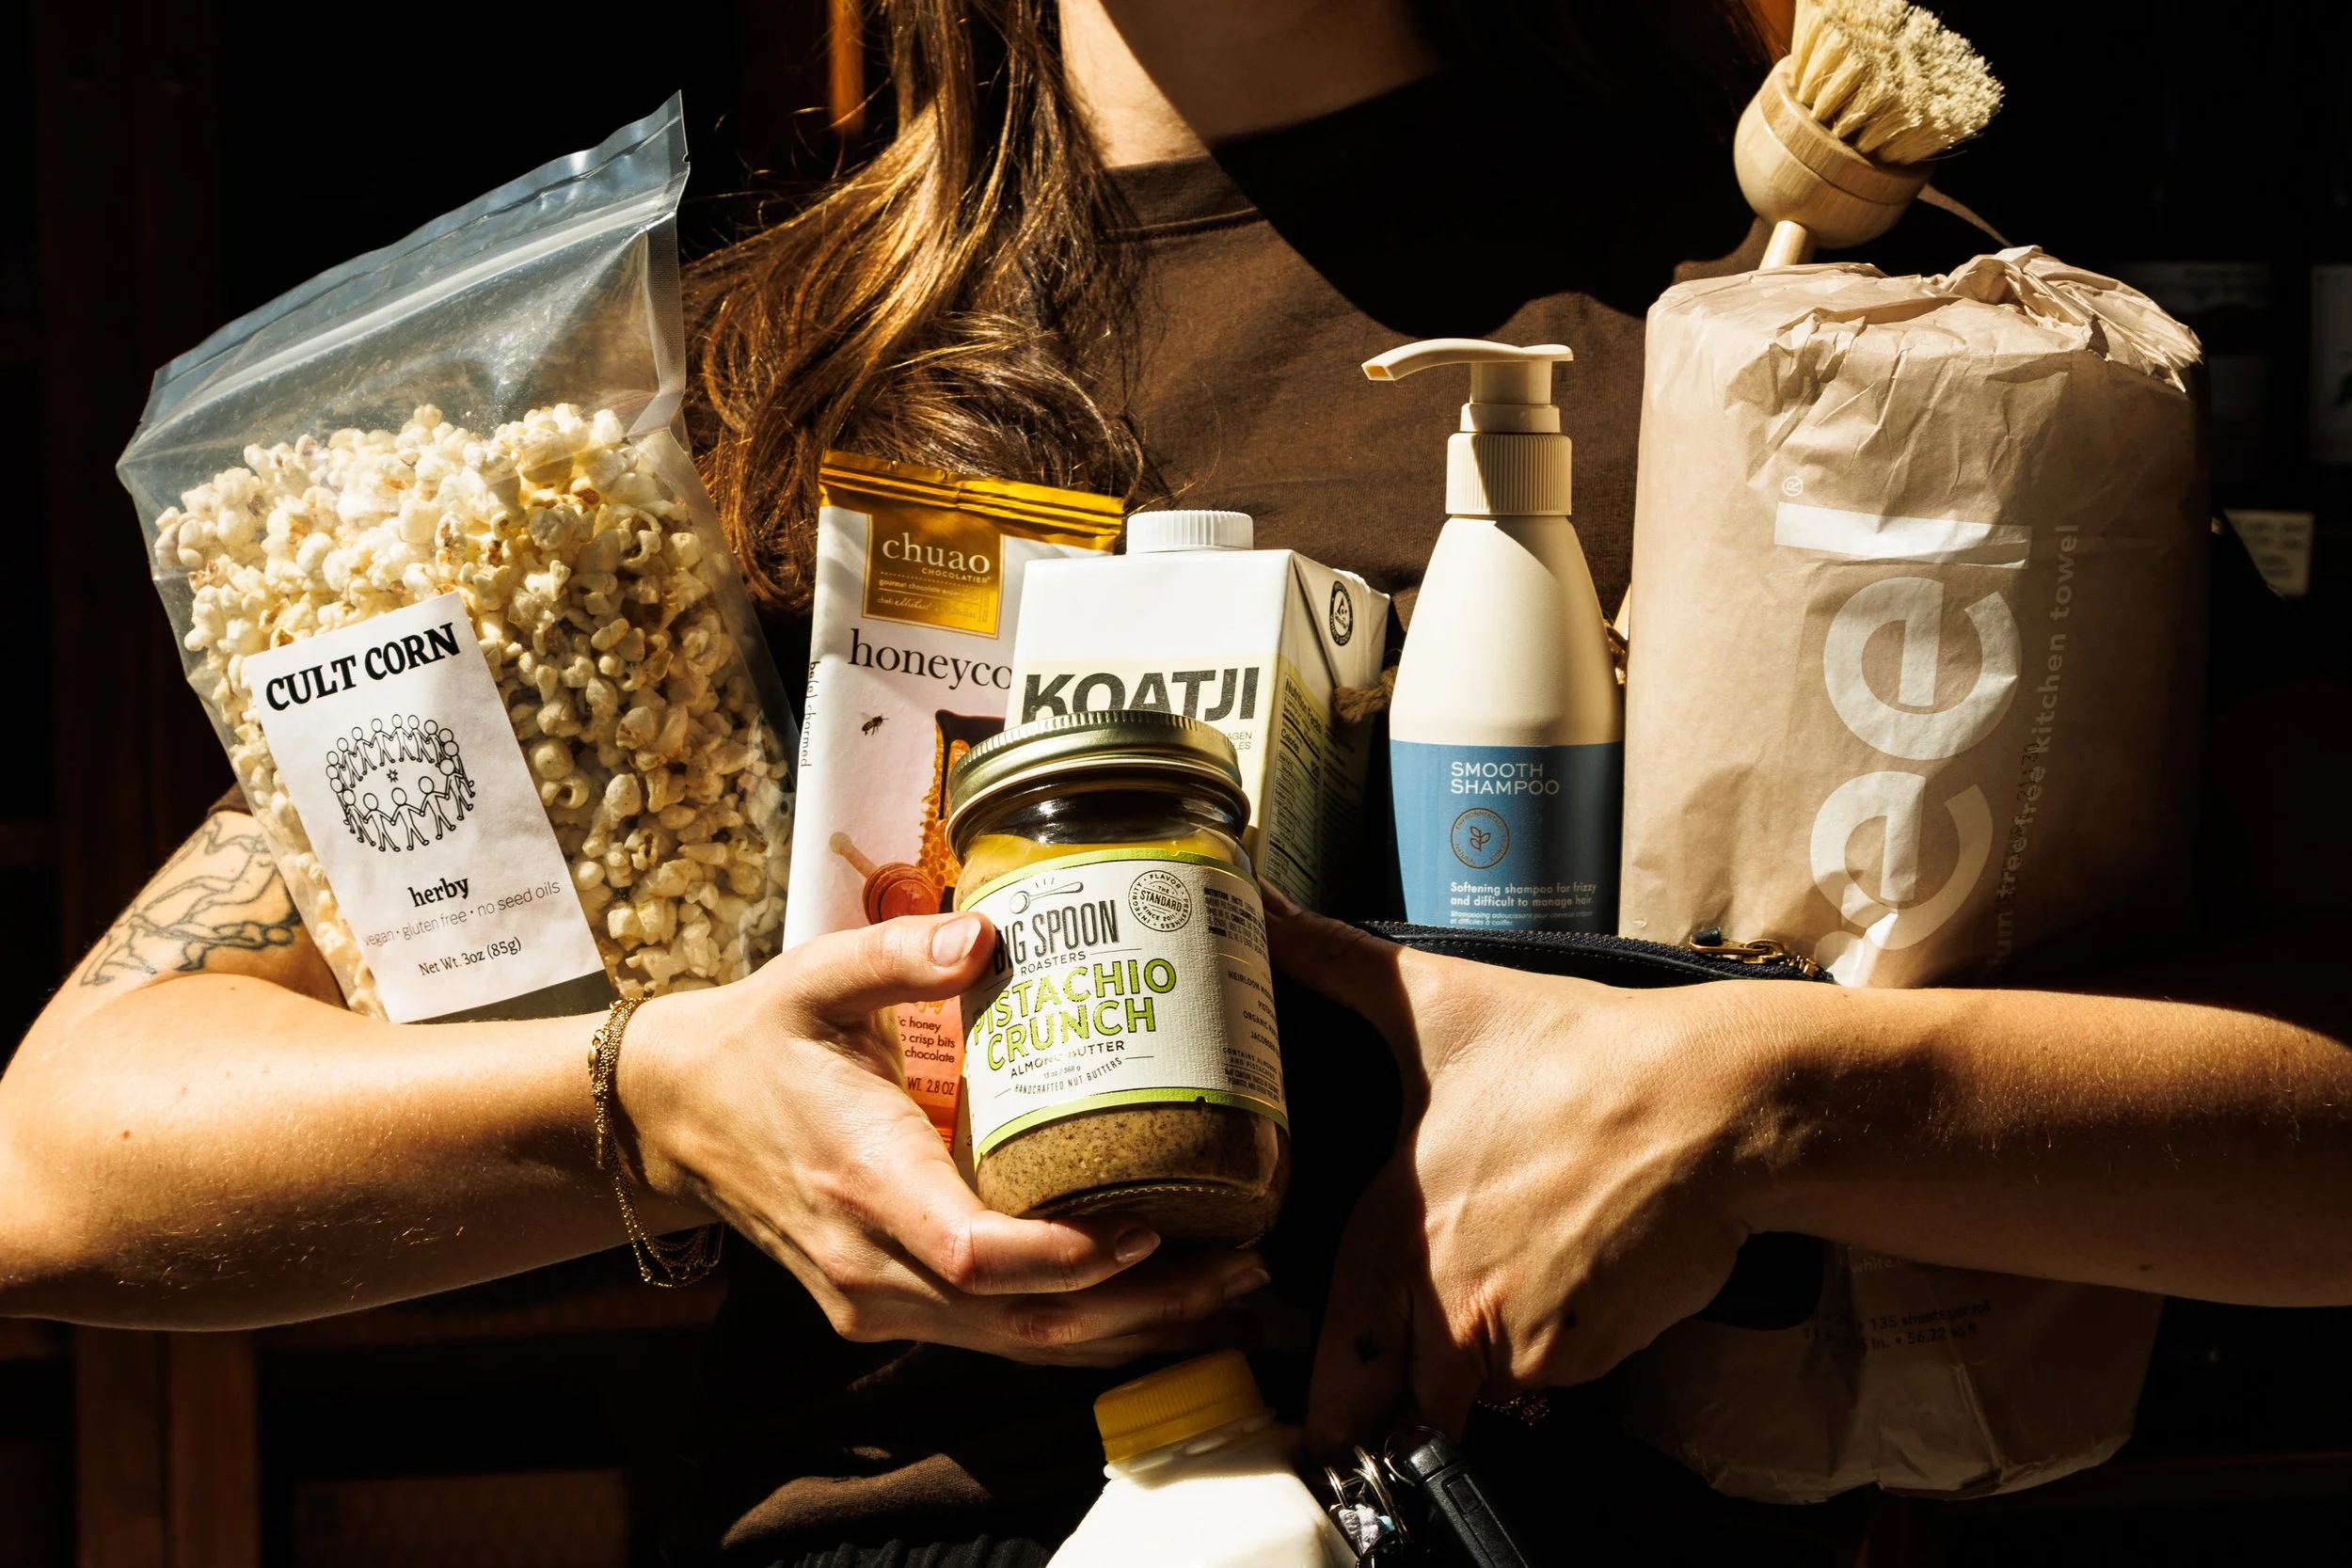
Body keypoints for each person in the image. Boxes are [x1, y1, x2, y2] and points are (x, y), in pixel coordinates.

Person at [5, 1, 2349, 1563]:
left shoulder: (1841, 341)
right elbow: (67, 1150)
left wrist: (1771, 1099)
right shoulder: (742, 380)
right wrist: (657, 1102)